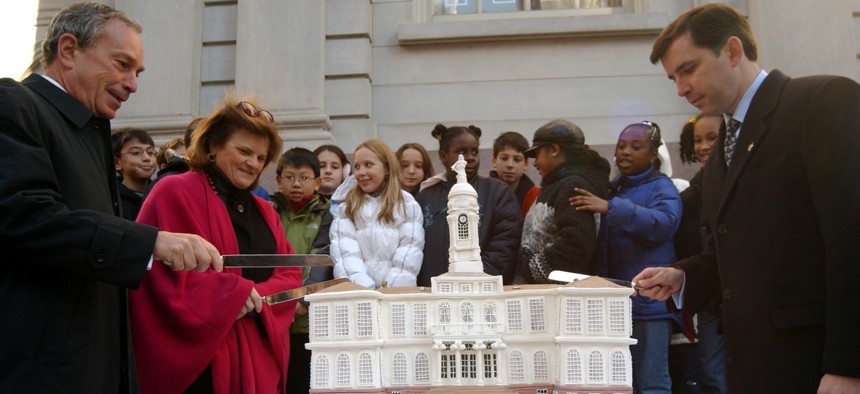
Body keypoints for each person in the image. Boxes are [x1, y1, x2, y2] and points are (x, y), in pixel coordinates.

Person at [632, 3, 860, 392]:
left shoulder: (821, 101)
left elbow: (852, 239)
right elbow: (737, 254)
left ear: (733, 51)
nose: (681, 89)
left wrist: (847, 366)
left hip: (819, 369)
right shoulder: (724, 146)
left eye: (688, 69)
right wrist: (685, 276)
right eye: (673, 77)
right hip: (753, 371)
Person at [0, 3, 221, 393]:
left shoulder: (90, 129)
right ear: (69, 50)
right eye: (122, 64)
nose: (132, 84)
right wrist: (152, 240)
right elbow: (24, 216)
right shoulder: (15, 104)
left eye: (137, 72)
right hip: (39, 371)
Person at [129, 96, 301, 393]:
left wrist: (255, 294)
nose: (253, 164)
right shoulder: (173, 191)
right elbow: (153, 276)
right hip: (199, 367)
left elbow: (290, 275)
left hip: (259, 358)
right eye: (244, 151)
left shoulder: (266, 211)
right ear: (212, 146)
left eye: (261, 158)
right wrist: (234, 294)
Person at [572, 121, 682, 393]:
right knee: (622, 385)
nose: (625, 152)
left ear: (654, 155)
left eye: (636, 146)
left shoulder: (661, 187)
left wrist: (612, 208)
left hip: (650, 306)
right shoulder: (613, 189)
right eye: (621, 146)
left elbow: (665, 223)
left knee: (651, 383)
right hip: (617, 308)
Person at [416, 124, 522, 286]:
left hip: (481, 289)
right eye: (462, 152)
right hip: (434, 291)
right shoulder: (425, 196)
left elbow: (505, 245)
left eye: (474, 152)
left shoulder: (497, 192)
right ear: (443, 156)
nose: (470, 157)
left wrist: (474, 279)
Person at [515, 120, 609, 285]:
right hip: (549, 294)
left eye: (537, 155)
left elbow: (577, 246)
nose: (535, 163)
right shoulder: (558, 184)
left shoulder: (573, 186)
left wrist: (530, 269)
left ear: (554, 150)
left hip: (560, 299)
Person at [270, 147, 333, 393]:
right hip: (274, 311)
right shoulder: (270, 210)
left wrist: (304, 300)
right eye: (289, 177)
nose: (296, 184)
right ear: (278, 180)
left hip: (308, 317)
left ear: (317, 182)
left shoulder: (326, 214)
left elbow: (322, 259)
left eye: (304, 178)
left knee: (305, 379)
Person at [673, 114, 726, 394]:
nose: (704, 146)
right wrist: (689, 303)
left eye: (712, 137)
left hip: (747, 300)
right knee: (713, 377)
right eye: (697, 140)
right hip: (709, 303)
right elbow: (690, 248)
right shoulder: (690, 195)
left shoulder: (743, 182)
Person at [329, 139, 424, 289]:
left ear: (386, 168)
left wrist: (390, 288)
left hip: (396, 295)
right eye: (357, 167)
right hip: (361, 297)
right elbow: (345, 254)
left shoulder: (406, 204)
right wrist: (363, 287)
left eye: (368, 165)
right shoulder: (346, 208)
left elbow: (410, 251)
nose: (361, 172)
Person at [143, 119, 198, 198]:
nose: (188, 160)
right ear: (163, 167)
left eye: (189, 156)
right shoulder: (164, 185)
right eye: (181, 157)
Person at [490, 131, 541, 218]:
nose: (510, 165)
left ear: (525, 164)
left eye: (517, 159)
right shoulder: (482, 191)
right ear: (494, 161)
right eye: (504, 158)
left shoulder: (536, 196)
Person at [112, 127, 156, 221]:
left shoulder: (159, 193)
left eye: (150, 152)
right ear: (117, 163)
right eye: (136, 153)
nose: (146, 158)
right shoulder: (112, 201)